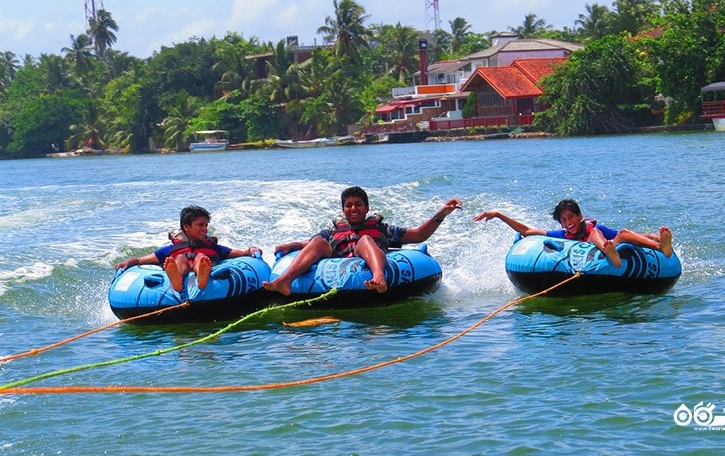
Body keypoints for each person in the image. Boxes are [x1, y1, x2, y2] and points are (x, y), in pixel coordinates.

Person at [263, 186, 462, 295]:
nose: (353, 208)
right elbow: (310, 246)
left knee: (365, 239)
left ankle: (379, 277)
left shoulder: (382, 228)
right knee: (318, 242)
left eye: (358, 204)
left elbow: (419, 235)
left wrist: (441, 214)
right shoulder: (333, 230)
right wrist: (292, 245)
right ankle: (285, 281)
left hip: (368, 256)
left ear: (367, 209)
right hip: (339, 263)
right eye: (348, 205)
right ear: (343, 210)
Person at [473, 199, 672, 268]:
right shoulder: (562, 235)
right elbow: (527, 231)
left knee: (624, 233)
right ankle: (610, 252)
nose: (568, 223)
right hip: (606, 250)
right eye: (564, 220)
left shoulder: (592, 227)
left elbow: (626, 235)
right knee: (615, 235)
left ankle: (660, 246)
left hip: (613, 245)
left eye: (571, 217)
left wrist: (653, 239)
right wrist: (498, 214)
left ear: (579, 216)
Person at [115, 206, 261, 293]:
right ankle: (176, 281)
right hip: (180, 266)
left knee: (201, 258)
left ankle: (202, 277)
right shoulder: (172, 248)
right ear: (186, 227)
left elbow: (240, 253)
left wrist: (251, 250)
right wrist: (130, 261)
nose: (205, 229)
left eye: (206, 225)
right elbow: (142, 260)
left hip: (202, 265)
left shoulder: (212, 246)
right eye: (200, 225)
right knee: (178, 259)